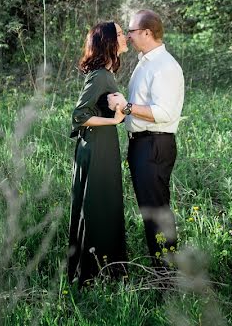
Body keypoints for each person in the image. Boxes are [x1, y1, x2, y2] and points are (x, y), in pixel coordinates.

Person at [108, 10, 184, 265]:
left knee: (157, 212)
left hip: (155, 144)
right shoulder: (146, 62)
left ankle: (166, 277)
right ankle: (162, 269)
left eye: (131, 31)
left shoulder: (165, 67)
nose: (127, 37)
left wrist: (127, 106)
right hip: (142, 144)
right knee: (150, 211)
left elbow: (164, 112)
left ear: (147, 33)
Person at [67, 21, 129, 285]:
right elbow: (79, 116)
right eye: (119, 33)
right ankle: (92, 274)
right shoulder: (100, 75)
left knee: (105, 205)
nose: (125, 36)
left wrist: (121, 113)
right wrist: (115, 122)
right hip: (96, 149)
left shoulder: (106, 73)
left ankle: (106, 271)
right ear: (108, 42)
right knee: (96, 208)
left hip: (103, 146)